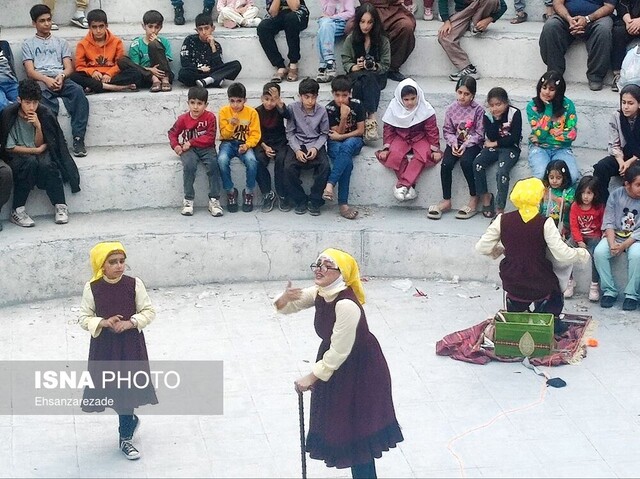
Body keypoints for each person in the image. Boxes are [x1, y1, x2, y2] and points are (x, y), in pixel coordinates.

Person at [274, 247, 404, 479]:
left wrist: (311, 376)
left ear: (341, 272)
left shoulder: (346, 305)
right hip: (340, 369)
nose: (320, 269)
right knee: (347, 429)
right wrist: (284, 299)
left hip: (361, 371)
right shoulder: (321, 292)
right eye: (318, 264)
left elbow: (339, 351)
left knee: (359, 432)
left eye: (326, 265)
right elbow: (290, 306)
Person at [79, 242, 157, 460]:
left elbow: (148, 311)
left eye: (122, 261)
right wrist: (103, 322)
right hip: (105, 348)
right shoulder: (92, 288)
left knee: (127, 392)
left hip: (130, 346)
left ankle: (125, 438)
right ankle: (130, 422)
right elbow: (83, 318)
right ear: (101, 265)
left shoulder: (134, 284)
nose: (119, 266)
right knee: (112, 390)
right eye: (113, 262)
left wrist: (131, 322)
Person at [476, 177, 589, 319]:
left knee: (518, 284)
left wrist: (500, 250)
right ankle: (551, 318)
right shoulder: (545, 223)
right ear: (539, 198)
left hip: (512, 280)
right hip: (539, 281)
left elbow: (482, 247)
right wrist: (581, 253)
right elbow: (562, 255)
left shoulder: (502, 220)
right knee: (555, 285)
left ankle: (516, 312)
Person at [0, 79, 80, 227]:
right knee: (29, 163)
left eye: (35, 103)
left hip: (40, 151)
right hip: (18, 155)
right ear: (19, 100)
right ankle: (17, 209)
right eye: (27, 102)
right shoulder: (9, 114)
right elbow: (9, 147)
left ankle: (60, 204)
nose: (31, 107)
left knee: (48, 164)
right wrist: (35, 151)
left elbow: (44, 143)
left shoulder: (44, 113)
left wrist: (37, 126)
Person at [22, 4, 90, 157]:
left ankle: (78, 138)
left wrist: (62, 76)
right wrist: (46, 80)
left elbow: (69, 67)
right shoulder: (28, 44)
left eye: (48, 20)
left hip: (60, 78)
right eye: (42, 21)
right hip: (41, 80)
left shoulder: (61, 42)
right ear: (34, 23)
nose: (46, 24)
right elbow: (30, 71)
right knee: (44, 103)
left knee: (78, 92)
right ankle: (56, 140)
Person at [428, 75, 484, 220]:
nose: (462, 97)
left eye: (467, 94)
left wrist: (465, 145)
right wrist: (453, 143)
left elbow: (479, 133)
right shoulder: (451, 109)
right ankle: (446, 200)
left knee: (466, 162)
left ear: (473, 95)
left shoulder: (478, 110)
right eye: (460, 92)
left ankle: (474, 198)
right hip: (455, 143)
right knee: (446, 164)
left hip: (472, 144)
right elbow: (447, 130)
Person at [376, 78, 441, 202]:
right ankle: (409, 188)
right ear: (400, 99)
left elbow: (431, 130)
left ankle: (403, 185)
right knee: (394, 155)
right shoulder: (393, 107)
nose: (410, 103)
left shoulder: (425, 108)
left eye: (413, 98)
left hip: (420, 137)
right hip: (401, 137)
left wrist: (435, 149)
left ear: (418, 96)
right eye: (406, 99)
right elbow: (389, 129)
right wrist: (386, 148)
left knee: (423, 155)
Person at [168, 85, 223, 217]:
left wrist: (191, 142)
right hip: (189, 150)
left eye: (199, 103)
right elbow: (172, 133)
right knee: (189, 165)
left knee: (213, 165)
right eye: (192, 103)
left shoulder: (210, 118)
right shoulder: (183, 119)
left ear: (206, 104)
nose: (195, 107)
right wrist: (175, 145)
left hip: (206, 148)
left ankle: (214, 200)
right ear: (188, 103)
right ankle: (188, 200)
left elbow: (210, 138)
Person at [538, 0, 615, 91]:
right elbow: (557, 3)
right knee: (550, 26)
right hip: (567, 19)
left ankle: (595, 76)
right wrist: (569, 18)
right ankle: (554, 74)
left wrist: (587, 19)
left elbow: (609, 6)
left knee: (604, 29)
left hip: (596, 18)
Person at [342, 3, 390, 142]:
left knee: (366, 78)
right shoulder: (351, 38)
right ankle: (371, 120)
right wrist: (353, 66)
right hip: (356, 75)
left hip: (376, 76)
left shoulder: (382, 40)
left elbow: (386, 64)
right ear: (358, 22)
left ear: (375, 23)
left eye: (369, 22)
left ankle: (360, 122)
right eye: (362, 21)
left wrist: (374, 66)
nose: (366, 26)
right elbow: (345, 60)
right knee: (359, 82)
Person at [594, 165, 640, 310]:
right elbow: (609, 221)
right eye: (638, 185)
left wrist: (624, 245)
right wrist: (612, 243)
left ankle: (632, 294)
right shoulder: (615, 195)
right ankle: (609, 290)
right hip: (615, 235)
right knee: (599, 252)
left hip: (635, 239)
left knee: (637, 255)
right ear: (627, 184)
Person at [473, 87, 522, 218]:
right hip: (493, 147)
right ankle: (486, 198)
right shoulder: (488, 115)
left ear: (506, 103)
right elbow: (492, 135)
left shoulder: (515, 113)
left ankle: (500, 209)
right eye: (492, 105)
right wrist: (495, 119)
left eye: (498, 104)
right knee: (477, 164)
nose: (495, 108)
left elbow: (514, 138)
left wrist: (495, 143)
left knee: (501, 171)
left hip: (511, 148)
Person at [284, 78, 330, 216]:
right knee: (288, 168)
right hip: (298, 143)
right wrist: (297, 150)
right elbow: (290, 132)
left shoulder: (322, 111)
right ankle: (300, 200)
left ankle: (315, 200)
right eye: (306, 97)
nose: (310, 101)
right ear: (300, 96)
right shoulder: (292, 108)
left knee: (325, 167)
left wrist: (315, 148)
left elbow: (324, 134)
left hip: (315, 143)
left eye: (313, 97)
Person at [323, 75, 365, 219]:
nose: (341, 99)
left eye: (344, 95)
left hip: (354, 140)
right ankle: (343, 205)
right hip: (335, 142)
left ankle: (330, 184)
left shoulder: (357, 104)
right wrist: (343, 117)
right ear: (333, 93)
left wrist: (341, 137)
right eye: (337, 95)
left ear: (350, 93)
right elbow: (337, 132)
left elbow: (360, 131)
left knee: (347, 146)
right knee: (346, 163)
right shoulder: (329, 108)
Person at [526, 71, 579, 183]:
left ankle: (563, 200)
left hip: (562, 149)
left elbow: (571, 135)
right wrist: (548, 109)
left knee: (572, 176)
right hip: (539, 149)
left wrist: (543, 138)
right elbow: (541, 133)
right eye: (544, 87)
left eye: (552, 89)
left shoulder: (568, 105)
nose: (546, 92)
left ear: (558, 91)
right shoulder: (532, 107)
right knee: (541, 176)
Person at [71, 9, 140, 94]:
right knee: (74, 77)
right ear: (89, 27)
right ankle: (117, 88)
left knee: (135, 73)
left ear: (106, 26)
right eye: (94, 27)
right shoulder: (82, 44)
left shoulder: (116, 42)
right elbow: (79, 67)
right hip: (93, 77)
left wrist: (109, 73)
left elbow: (120, 64)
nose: (98, 30)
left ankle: (95, 87)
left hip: (112, 77)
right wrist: (92, 72)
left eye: (101, 26)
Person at [437, 0, 507, 81]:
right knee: (444, 36)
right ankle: (467, 68)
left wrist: (488, 20)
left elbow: (503, 5)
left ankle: (475, 25)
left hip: (480, 11)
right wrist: (446, 21)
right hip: (462, 13)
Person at [217, 82, 261, 213]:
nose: (235, 105)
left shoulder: (252, 113)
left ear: (245, 100)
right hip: (228, 143)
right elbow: (224, 134)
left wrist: (247, 145)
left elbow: (255, 134)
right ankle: (230, 191)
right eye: (232, 101)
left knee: (252, 161)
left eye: (239, 101)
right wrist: (231, 125)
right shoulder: (224, 111)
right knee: (222, 160)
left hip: (244, 143)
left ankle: (248, 192)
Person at [593, 84, 640, 203]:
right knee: (601, 167)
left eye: (630, 103)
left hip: (638, 158)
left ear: (639, 104)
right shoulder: (616, 116)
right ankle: (604, 204)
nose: (626, 107)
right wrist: (621, 162)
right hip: (622, 156)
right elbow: (614, 144)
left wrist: (630, 161)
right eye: (623, 102)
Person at [354, 0, 415, 82]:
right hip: (369, 8)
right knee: (351, 27)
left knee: (406, 26)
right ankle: (359, 66)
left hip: (392, 9)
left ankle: (391, 68)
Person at [178, 13, 242, 89]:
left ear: (213, 28)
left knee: (236, 65)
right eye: (200, 29)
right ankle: (214, 80)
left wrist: (213, 47)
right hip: (196, 72)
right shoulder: (190, 40)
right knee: (183, 73)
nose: (204, 32)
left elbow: (219, 65)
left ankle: (209, 80)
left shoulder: (216, 45)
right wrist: (199, 69)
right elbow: (184, 62)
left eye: (206, 28)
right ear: (197, 30)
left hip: (211, 71)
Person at [255, 82, 291, 213]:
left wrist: (278, 101)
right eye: (267, 99)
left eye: (273, 100)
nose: (270, 103)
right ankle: (267, 194)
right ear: (261, 98)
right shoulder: (257, 111)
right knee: (257, 160)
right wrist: (265, 147)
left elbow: (287, 115)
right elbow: (255, 133)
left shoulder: (279, 108)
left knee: (281, 160)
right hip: (263, 142)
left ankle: (282, 194)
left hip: (280, 141)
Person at [569, 175, 605, 301]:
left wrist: (602, 235)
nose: (585, 196)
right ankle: (569, 280)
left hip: (594, 236)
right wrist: (579, 240)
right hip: (578, 236)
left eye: (589, 193)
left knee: (596, 254)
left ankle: (594, 284)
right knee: (566, 249)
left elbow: (602, 223)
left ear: (595, 194)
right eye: (583, 193)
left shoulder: (599, 207)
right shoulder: (575, 206)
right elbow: (574, 225)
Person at [257, 0, 310, 83]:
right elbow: (273, 13)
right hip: (279, 13)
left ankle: (293, 63)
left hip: (298, 14)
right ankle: (280, 66)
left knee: (291, 19)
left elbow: (294, 7)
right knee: (263, 28)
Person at [127, 10, 174, 92]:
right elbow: (135, 65)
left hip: (162, 73)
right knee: (123, 61)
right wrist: (150, 70)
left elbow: (166, 61)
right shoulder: (136, 44)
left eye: (157, 27)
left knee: (153, 44)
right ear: (144, 26)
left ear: (161, 27)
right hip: (145, 75)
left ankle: (165, 80)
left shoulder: (164, 41)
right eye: (150, 26)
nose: (153, 30)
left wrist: (157, 43)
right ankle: (155, 80)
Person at [316, 0, 356, 83]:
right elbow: (327, 12)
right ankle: (329, 62)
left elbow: (350, 13)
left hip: (341, 23)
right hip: (327, 23)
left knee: (322, 29)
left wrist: (333, 17)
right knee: (324, 27)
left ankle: (324, 65)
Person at [540, 159, 575, 237]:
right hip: (544, 222)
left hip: (562, 224)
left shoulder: (569, 191)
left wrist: (555, 198)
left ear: (564, 177)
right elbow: (540, 209)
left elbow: (566, 208)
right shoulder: (544, 188)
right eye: (551, 178)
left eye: (558, 178)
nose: (554, 181)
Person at [0, 37, 18, 113]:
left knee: (23, 101)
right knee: (2, 104)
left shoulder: (4, 45)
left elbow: (11, 63)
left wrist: (15, 80)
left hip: (10, 82)